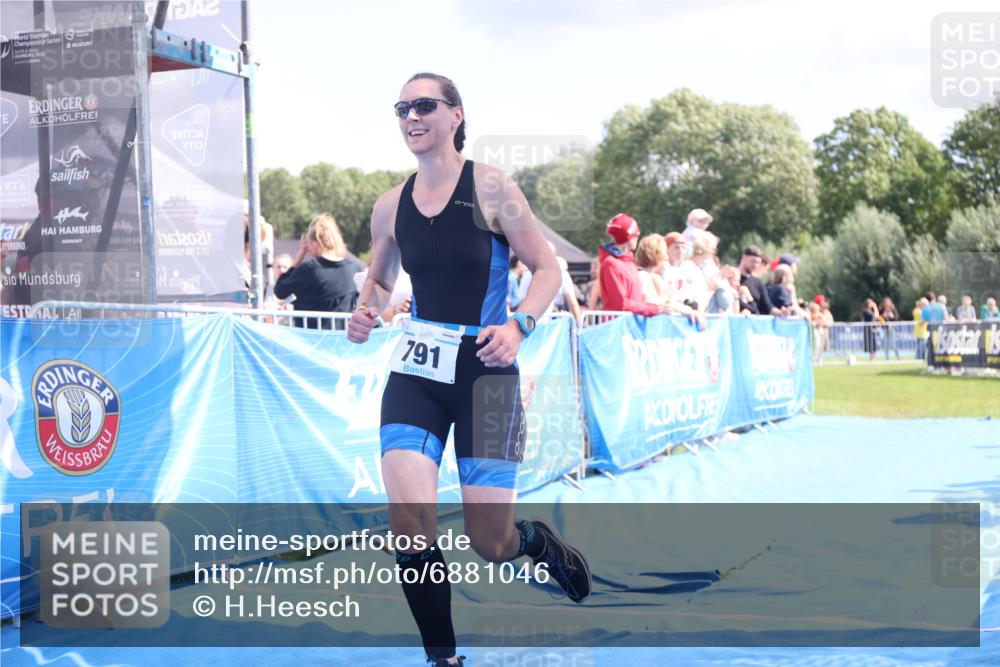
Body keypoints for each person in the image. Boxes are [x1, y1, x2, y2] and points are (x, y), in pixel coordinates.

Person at [347, 73, 591, 667]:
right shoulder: (389, 205)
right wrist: (364, 310)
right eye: (402, 108)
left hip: (485, 373)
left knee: (490, 541)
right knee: (409, 525)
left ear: (456, 115)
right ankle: (444, 658)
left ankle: (532, 542)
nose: (412, 116)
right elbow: (379, 280)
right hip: (417, 374)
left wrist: (519, 327)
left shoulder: (492, 186)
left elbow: (547, 269)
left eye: (425, 105)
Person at [273, 213, 363, 329]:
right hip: (344, 338)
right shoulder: (354, 268)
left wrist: (299, 257)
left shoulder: (309, 269)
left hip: (312, 339)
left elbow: (280, 290)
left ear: (314, 244)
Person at [634, 233, 669, 305]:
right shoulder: (643, 276)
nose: (666, 257)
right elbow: (650, 304)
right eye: (665, 253)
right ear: (658, 255)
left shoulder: (647, 275)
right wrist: (667, 294)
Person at [737, 245, 773, 315]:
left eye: (758, 263)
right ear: (744, 257)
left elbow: (768, 307)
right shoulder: (732, 278)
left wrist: (781, 312)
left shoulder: (758, 283)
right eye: (753, 261)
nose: (755, 265)